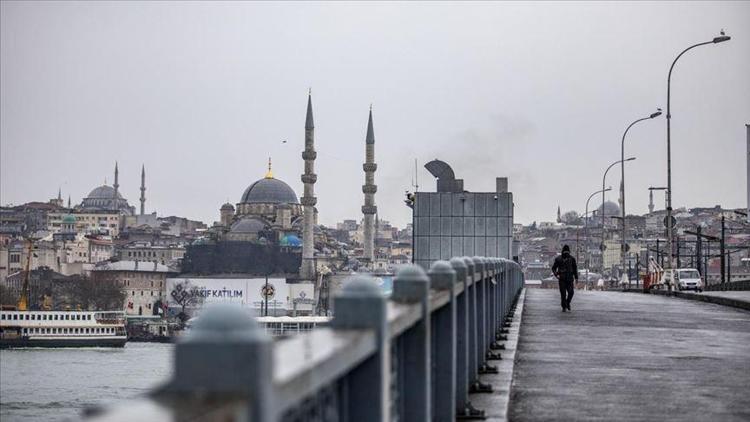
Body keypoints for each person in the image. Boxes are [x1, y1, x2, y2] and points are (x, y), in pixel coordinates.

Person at [552, 244, 578, 312]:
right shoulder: (558, 259)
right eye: (565, 252)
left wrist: (576, 277)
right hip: (562, 279)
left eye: (567, 252)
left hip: (569, 279)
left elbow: (575, 269)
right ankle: (564, 307)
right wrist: (556, 274)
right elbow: (554, 268)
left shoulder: (572, 259)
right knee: (563, 294)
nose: (566, 253)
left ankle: (567, 303)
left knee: (571, 292)